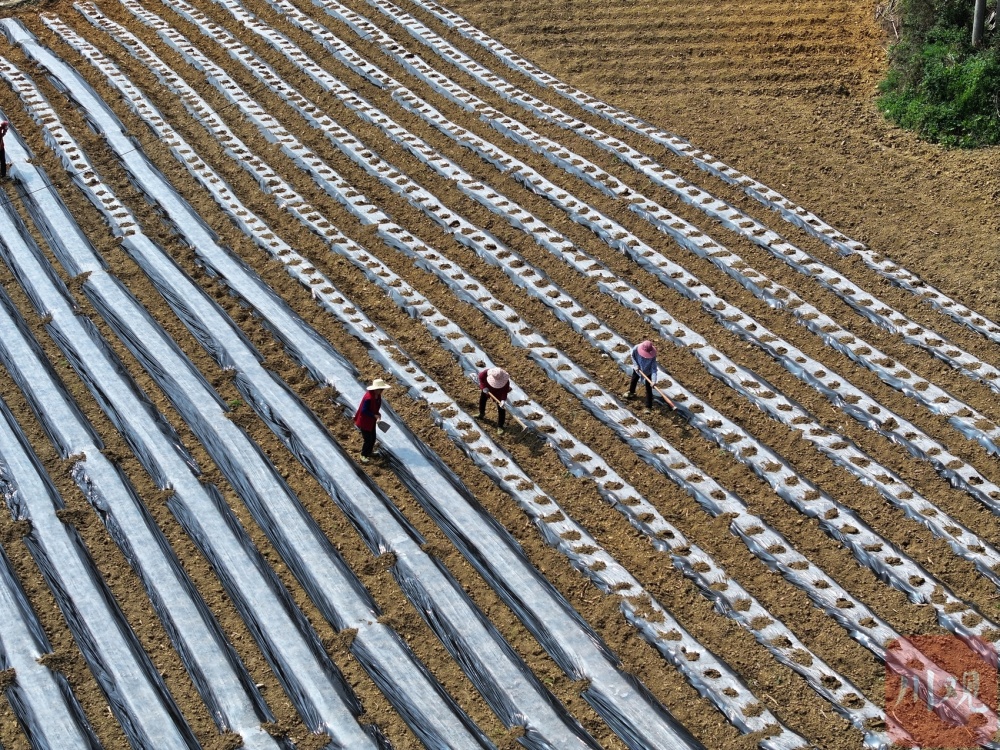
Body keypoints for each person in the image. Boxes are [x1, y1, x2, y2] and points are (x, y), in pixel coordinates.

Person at [354, 378, 390, 463]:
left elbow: (375, 408)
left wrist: (378, 415)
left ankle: (369, 452)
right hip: (365, 421)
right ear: (376, 389)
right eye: (381, 389)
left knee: (373, 437)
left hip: (371, 421)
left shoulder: (377, 396)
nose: (382, 391)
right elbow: (364, 410)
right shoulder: (369, 398)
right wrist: (374, 415)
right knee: (368, 439)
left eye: (382, 389)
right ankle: (363, 455)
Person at [624, 340, 657, 410]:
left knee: (648, 388)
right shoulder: (636, 348)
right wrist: (636, 365)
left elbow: (654, 369)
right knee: (633, 380)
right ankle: (631, 392)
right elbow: (632, 356)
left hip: (648, 372)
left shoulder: (652, 356)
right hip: (637, 369)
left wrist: (653, 381)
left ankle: (649, 406)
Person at [477, 367, 510, 434]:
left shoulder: (505, 381)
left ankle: (500, 426)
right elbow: (481, 378)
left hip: (498, 393)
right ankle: (481, 413)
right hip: (487, 389)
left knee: (501, 408)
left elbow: (504, 391)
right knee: (482, 400)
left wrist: (503, 400)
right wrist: (483, 387)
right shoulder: (485, 373)